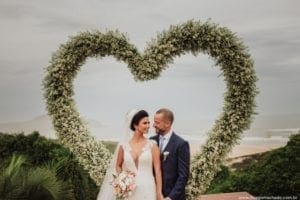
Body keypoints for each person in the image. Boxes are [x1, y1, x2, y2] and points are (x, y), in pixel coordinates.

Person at [97, 109, 163, 200]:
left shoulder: (152, 145)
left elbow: (158, 171)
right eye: (145, 123)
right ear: (135, 125)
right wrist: (122, 180)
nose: (148, 126)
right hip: (129, 190)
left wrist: (159, 193)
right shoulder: (123, 146)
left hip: (148, 188)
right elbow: (118, 166)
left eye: (148, 123)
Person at [150, 108, 190, 200]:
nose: (153, 125)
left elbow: (183, 175)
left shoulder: (181, 144)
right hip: (152, 194)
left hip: (172, 196)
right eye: (154, 122)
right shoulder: (151, 141)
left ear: (167, 123)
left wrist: (170, 197)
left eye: (157, 122)